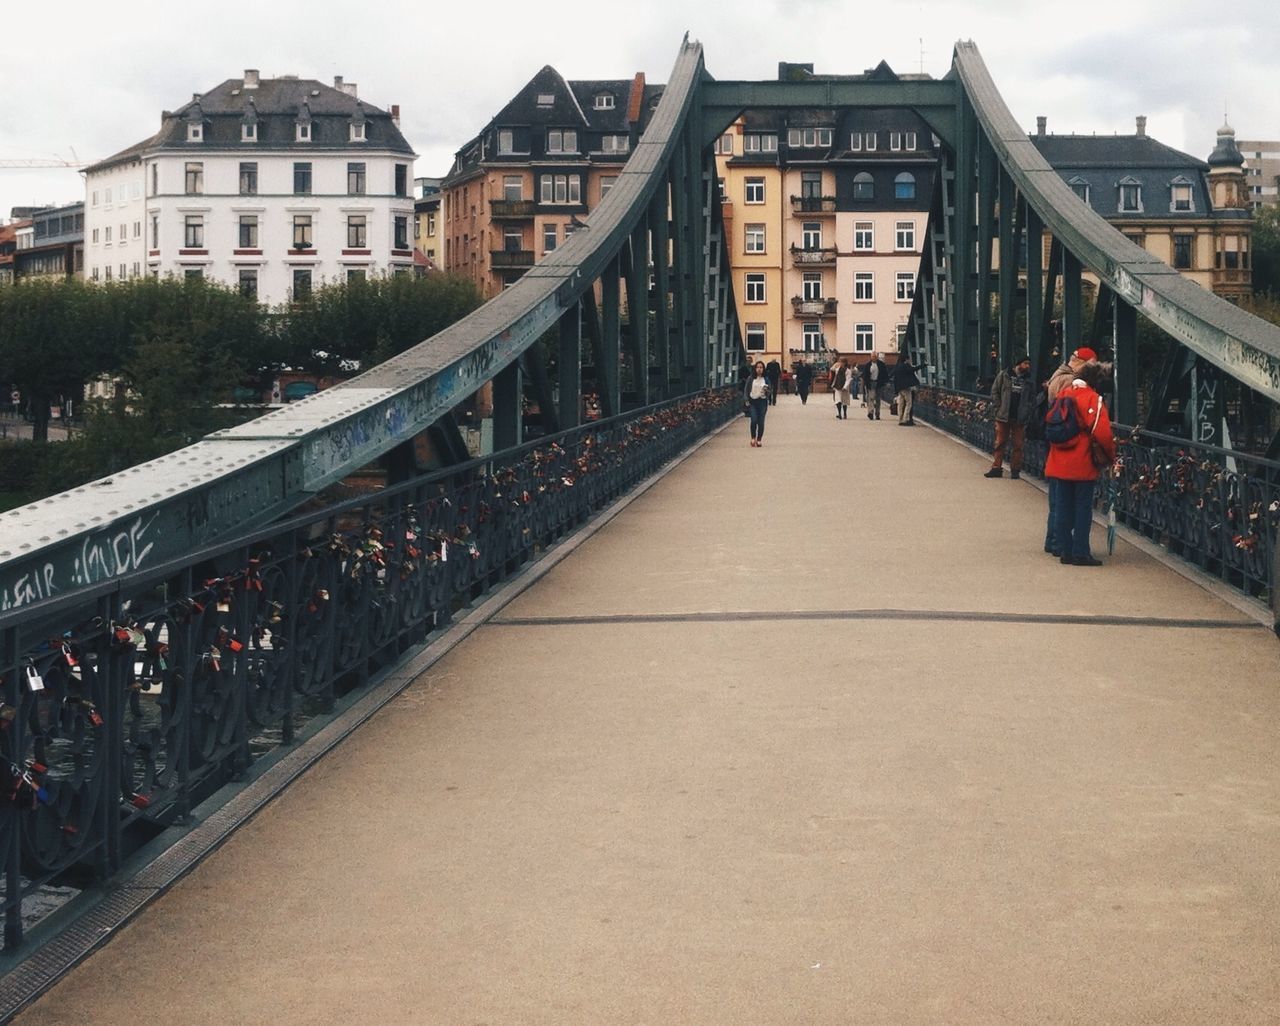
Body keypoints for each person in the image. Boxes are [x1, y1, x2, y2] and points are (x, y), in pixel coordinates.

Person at [1045, 370, 1115, 565]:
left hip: (1059, 459)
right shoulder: (1093, 398)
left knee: (1062, 506)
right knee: (1083, 507)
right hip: (1082, 460)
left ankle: (1065, 550)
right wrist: (1110, 456)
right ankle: (1081, 552)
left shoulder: (1062, 395)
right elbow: (1103, 433)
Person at [983, 354, 1035, 478]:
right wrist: (999, 407)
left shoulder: (1029, 381)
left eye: (1029, 364)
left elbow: (1032, 399)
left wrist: (1027, 411)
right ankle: (996, 468)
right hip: (1003, 415)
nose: (1028, 366)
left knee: (1018, 445)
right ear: (1018, 364)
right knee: (1000, 442)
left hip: (1019, 417)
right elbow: (995, 391)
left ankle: (1015, 470)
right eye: (1025, 363)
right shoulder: (1004, 375)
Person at [743, 360, 771, 446]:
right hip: (753, 401)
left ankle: (759, 439)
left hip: (762, 402)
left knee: (761, 421)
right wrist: (746, 400)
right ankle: (753, 437)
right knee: (754, 420)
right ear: (755, 369)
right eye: (757, 367)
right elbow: (746, 390)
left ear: (763, 369)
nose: (759, 369)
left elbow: (770, 390)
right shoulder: (751, 378)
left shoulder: (766, 379)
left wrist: (767, 391)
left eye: (761, 367)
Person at [891, 354, 920, 425]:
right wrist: (923, 365)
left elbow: (892, 376)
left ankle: (900, 419)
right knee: (908, 403)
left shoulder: (897, 366)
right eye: (908, 359)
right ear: (906, 359)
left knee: (900, 404)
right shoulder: (905, 366)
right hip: (906, 388)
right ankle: (905, 419)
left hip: (899, 388)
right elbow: (913, 369)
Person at [860, 352, 888, 420]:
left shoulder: (881, 365)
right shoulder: (868, 365)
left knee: (878, 399)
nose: (873, 358)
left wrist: (886, 382)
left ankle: (877, 413)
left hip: (878, 383)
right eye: (872, 356)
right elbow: (865, 375)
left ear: (877, 357)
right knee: (871, 398)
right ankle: (871, 412)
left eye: (875, 356)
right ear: (871, 357)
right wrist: (864, 383)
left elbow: (885, 374)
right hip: (871, 383)